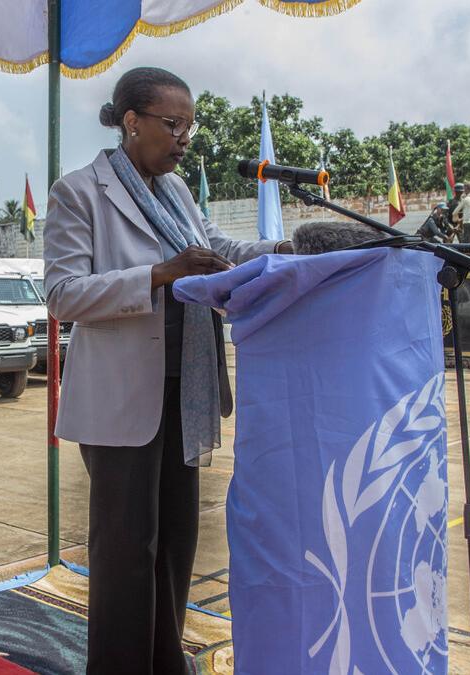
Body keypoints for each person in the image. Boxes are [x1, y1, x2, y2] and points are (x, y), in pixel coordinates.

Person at [43, 66, 291, 674]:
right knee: (128, 551)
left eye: (189, 126)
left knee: (176, 544)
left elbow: (223, 253)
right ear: (132, 122)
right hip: (122, 400)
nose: (184, 139)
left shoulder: (177, 193)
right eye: (172, 124)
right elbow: (62, 294)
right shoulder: (78, 192)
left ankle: (164, 662)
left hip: (186, 392)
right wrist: (157, 275)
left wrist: (294, 247)